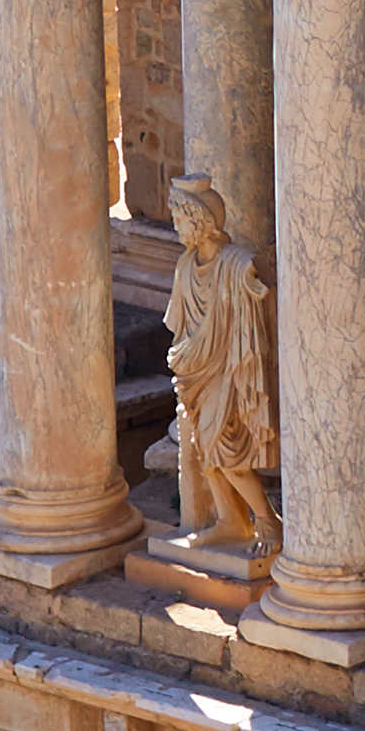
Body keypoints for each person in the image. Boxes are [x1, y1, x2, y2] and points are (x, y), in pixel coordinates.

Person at [164, 175, 277, 562]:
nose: (175, 226)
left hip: (226, 370)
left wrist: (253, 277)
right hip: (196, 372)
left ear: (199, 220)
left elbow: (255, 280)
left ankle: (267, 521)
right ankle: (231, 522)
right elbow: (181, 323)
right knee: (203, 449)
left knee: (225, 451)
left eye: (179, 218)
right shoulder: (185, 266)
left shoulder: (233, 263)